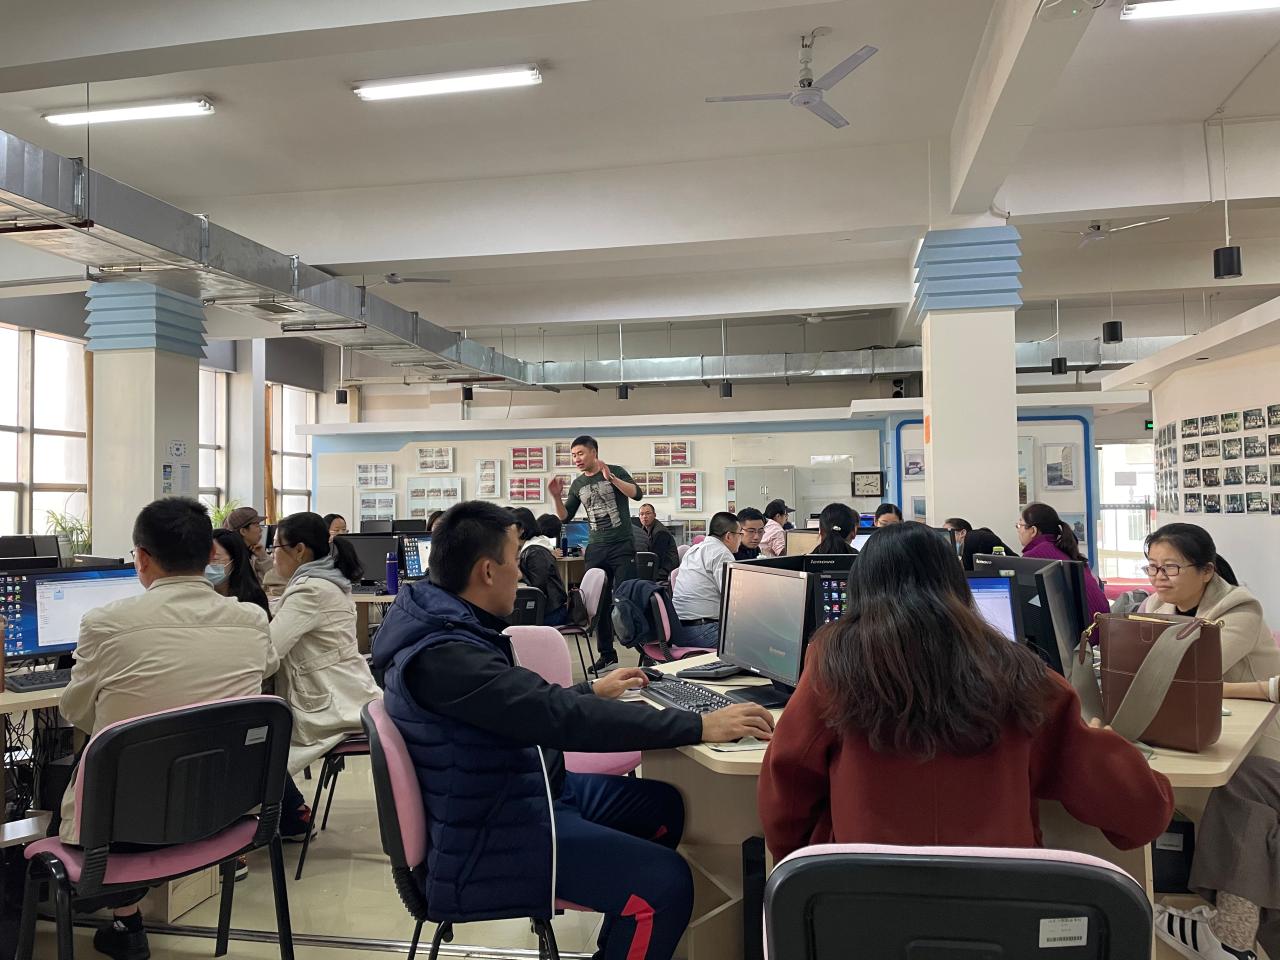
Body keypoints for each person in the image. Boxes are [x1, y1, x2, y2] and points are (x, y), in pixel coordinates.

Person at [370, 501, 774, 960]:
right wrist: (698, 724)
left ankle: (621, 933)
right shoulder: (445, 657)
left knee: (664, 808)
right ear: (486, 571)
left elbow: (524, 703)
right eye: (515, 560)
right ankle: (638, 911)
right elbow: (559, 720)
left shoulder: (446, 621)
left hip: (521, 790)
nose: (521, 574)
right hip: (493, 835)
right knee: (666, 884)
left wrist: (590, 690)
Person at [758, 522, 1174, 864]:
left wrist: (800, 861)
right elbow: (1142, 814)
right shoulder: (1024, 675)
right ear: (957, 583)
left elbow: (786, 786)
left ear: (861, 589)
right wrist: (1108, 744)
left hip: (857, 906)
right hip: (999, 911)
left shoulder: (833, 667)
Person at [58, 498, 277, 960]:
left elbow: (76, 714)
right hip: (225, 813)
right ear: (212, 555)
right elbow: (262, 675)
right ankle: (126, 916)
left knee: (88, 762)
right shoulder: (252, 620)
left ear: (141, 557)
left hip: (123, 825)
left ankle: (124, 916)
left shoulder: (106, 623)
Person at [1137, 524, 1280, 960]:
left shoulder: (1240, 608)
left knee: (1241, 786)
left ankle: (1229, 936)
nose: (1159, 578)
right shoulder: (1154, 604)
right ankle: (1228, 936)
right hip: (1208, 730)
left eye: (1171, 567)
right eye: (1152, 567)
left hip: (1263, 740)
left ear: (1206, 571)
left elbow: (1192, 670)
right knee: (1236, 789)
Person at [271, 512, 382, 779]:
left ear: (299, 550)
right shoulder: (327, 581)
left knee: (254, 754)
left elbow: (268, 654)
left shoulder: (310, 590)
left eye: (275, 547)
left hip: (332, 709)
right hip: (350, 692)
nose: (272, 555)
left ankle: (289, 804)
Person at [549, 435, 643, 671]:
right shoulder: (578, 484)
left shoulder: (616, 471)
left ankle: (645, 651)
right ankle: (607, 654)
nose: (576, 459)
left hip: (622, 545)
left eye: (580, 453)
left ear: (593, 452)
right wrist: (556, 497)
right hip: (597, 548)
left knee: (627, 598)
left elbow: (637, 494)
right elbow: (564, 517)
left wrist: (611, 479)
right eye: (573, 455)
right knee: (599, 603)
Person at [1016, 502, 1108, 618]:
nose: (1018, 530)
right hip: (1103, 622)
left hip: (1086, 627)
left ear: (1033, 530)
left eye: (1020, 525)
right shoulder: (1060, 547)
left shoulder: (1035, 555)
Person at [671, 512, 742, 648]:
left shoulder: (693, 550)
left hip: (679, 630)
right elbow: (733, 596)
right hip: (704, 630)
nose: (741, 539)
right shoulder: (722, 553)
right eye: (740, 534)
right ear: (728, 536)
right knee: (757, 641)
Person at [512, 507, 570, 626]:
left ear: (521, 530)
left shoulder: (535, 552)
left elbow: (537, 591)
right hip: (546, 610)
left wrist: (518, 574)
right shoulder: (532, 548)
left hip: (551, 613)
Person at [211, 528, 271, 616]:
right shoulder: (199, 595)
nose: (207, 564)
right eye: (204, 558)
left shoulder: (253, 599)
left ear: (235, 561)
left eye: (215, 559)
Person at [224, 505, 273, 580]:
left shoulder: (251, 553)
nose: (261, 530)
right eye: (257, 526)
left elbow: (270, 580)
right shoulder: (232, 559)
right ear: (243, 531)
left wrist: (263, 557)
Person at [636, 503, 681, 579]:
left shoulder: (660, 532)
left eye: (648, 513)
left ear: (654, 515)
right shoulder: (644, 529)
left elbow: (657, 558)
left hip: (665, 569)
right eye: (641, 514)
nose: (644, 516)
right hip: (657, 565)